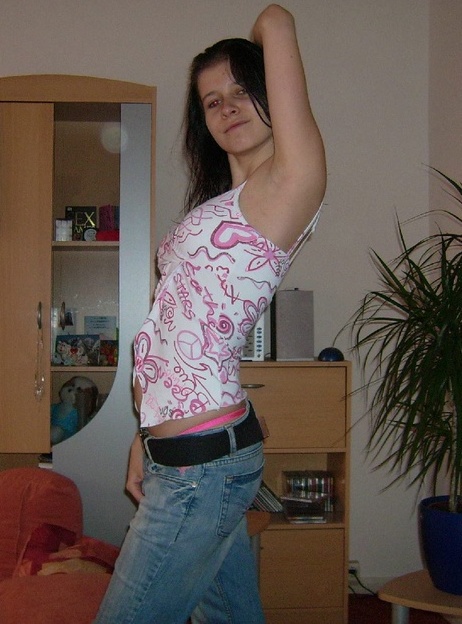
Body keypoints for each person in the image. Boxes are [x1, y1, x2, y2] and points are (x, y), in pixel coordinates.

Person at [94, 4, 326, 623]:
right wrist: (146, 435)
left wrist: (255, 43)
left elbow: (276, 18)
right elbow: (171, 330)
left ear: (272, 93)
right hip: (189, 450)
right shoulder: (223, 203)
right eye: (211, 101)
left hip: (202, 465)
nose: (228, 107)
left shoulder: (290, 184)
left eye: (243, 89)